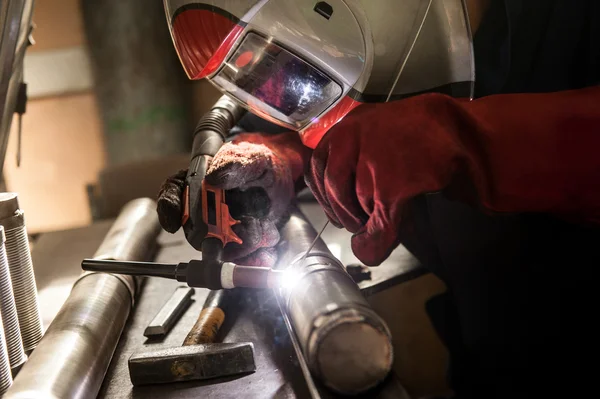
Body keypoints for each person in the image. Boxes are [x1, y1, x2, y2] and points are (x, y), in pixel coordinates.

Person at [158, 0, 600, 397]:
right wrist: (271, 157)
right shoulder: (379, 56)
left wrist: (470, 141)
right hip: (490, 356)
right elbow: (303, 114)